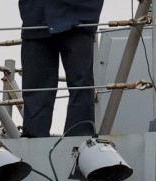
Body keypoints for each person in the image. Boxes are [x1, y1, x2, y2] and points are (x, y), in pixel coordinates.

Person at [18, 0, 104, 137]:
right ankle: (34, 139)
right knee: (36, 86)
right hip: (37, 17)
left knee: (80, 84)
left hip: (77, 16)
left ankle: (78, 137)